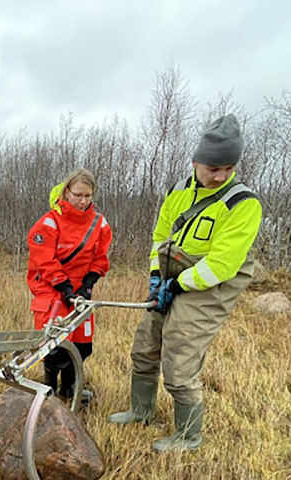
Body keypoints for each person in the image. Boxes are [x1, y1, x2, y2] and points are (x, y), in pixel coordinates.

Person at [109, 115, 262, 452]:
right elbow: (161, 236)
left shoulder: (243, 203)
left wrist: (177, 286)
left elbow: (222, 264)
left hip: (208, 288)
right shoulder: (177, 191)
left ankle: (188, 437)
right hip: (170, 277)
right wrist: (154, 276)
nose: (220, 176)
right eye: (213, 168)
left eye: (228, 168)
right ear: (196, 162)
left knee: (179, 357)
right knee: (145, 346)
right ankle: (141, 411)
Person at [26, 168, 113, 404]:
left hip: (80, 293)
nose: (83, 201)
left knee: (82, 345)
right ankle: (49, 392)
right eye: (78, 195)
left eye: (87, 196)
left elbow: (101, 257)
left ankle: (70, 389)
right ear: (66, 192)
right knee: (54, 346)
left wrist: (88, 284)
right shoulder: (49, 223)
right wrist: (64, 288)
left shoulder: (99, 224)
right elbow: (44, 260)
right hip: (52, 290)